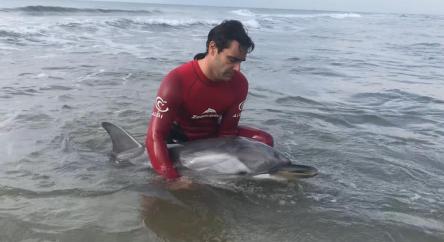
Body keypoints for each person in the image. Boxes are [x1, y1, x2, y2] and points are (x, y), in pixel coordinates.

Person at [145, 20, 274, 183]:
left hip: (212, 134)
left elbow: (228, 132)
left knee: (265, 141)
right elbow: (155, 136)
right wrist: (171, 178)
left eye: (240, 61)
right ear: (212, 48)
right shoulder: (177, 80)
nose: (237, 69)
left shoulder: (239, 83)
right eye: (232, 60)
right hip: (179, 138)